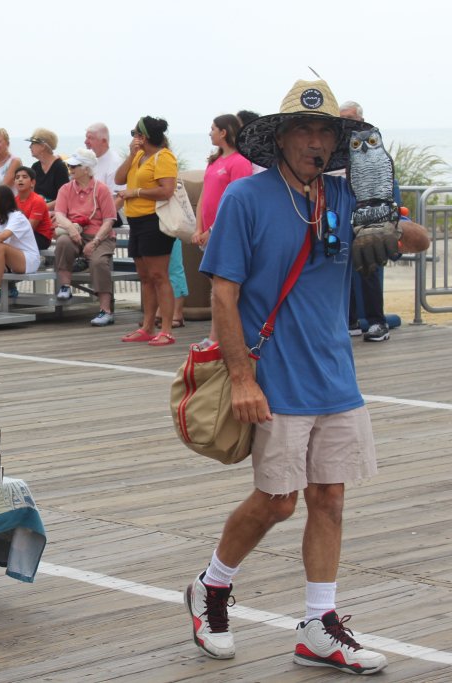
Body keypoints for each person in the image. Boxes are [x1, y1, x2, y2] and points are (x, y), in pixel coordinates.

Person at [187, 78, 430, 675]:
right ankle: (211, 588)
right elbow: (223, 294)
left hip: (336, 376)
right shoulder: (247, 198)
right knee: (277, 501)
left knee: (331, 498)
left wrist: (386, 221)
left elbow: (420, 240)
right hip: (274, 375)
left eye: (326, 132)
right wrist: (242, 379)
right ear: (283, 138)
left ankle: (319, 625)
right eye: (305, 130)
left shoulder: (351, 199)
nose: (316, 142)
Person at [115, 116, 179, 345]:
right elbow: (119, 178)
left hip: (155, 220)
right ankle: (147, 326)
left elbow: (167, 190)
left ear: (144, 136)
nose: (133, 137)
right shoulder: (139, 156)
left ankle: (167, 329)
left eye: (135, 133)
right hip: (136, 221)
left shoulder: (164, 157)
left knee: (159, 276)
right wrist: (131, 155)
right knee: (145, 277)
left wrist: (137, 192)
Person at [193, 113, 252, 343]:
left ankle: (219, 337)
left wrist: (213, 230)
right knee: (216, 287)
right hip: (207, 233)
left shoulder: (239, 162)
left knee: (224, 288)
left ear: (224, 132)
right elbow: (205, 195)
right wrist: (199, 228)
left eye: (213, 128)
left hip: (225, 233)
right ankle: (218, 335)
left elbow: (237, 201)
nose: (210, 132)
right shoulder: (214, 161)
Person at [340, 100, 392, 343]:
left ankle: (377, 321)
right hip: (342, 215)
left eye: (352, 117)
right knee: (343, 269)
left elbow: (387, 186)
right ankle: (350, 321)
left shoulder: (376, 151)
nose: (349, 122)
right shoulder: (338, 144)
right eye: (343, 118)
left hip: (369, 217)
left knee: (369, 267)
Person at [52, 149, 118, 326]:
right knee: (63, 241)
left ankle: (106, 310)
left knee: (98, 262)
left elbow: (109, 220)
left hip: (100, 236)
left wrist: (95, 241)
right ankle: (65, 286)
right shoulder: (66, 189)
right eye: (70, 165)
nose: (71, 168)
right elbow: (59, 214)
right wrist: (71, 229)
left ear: (87, 169)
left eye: (75, 165)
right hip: (75, 233)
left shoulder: (101, 189)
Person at [27, 128, 69, 212]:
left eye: (33, 143)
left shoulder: (59, 167)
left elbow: (65, 197)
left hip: (55, 213)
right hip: (38, 211)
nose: (29, 146)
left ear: (43, 146)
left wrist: (41, 208)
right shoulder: (35, 167)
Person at [13, 166, 53, 250]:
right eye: (17, 177)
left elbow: (29, 227)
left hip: (40, 237)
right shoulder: (13, 201)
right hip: (20, 233)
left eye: (24, 177)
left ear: (32, 183)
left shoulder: (38, 200)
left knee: (6, 242)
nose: (20, 179)